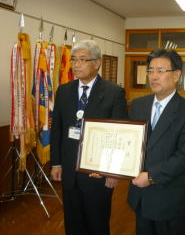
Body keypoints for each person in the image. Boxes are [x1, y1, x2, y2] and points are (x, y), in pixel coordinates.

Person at [50, 39, 128, 235]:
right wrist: (56, 163)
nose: (76, 64)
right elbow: (57, 129)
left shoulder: (113, 93)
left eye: (83, 60)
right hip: (69, 170)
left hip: (98, 173)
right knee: (73, 223)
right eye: (74, 60)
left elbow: (120, 134)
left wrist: (113, 172)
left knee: (97, 223)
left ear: (97, 62)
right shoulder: (64, 90)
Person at [127, 49, 185, 235]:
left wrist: (151, 176)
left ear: (177, 75)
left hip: (170, 199)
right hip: (140, 197)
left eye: (160, 71)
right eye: (150, 71)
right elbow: (129, 141)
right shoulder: (138, 105)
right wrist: (107, 166)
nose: (153, 77)